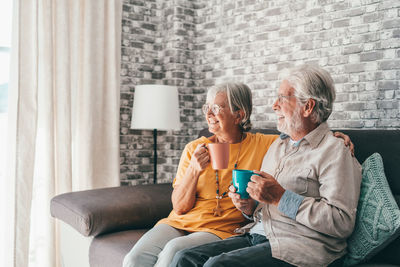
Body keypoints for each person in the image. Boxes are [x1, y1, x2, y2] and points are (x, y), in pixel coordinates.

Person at [171, 65, 362, 267]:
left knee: (216, 266)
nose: (274, 105)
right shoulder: (278, 145)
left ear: (308, 107)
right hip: (260, 234)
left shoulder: (335, 150)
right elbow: (265, 205)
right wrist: (248, 206)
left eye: (282, 98)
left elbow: (341, 222)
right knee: (185, 258)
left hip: (301, 246)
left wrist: (281, 197)